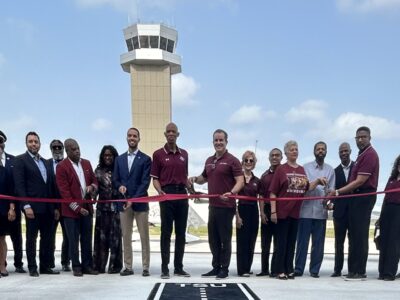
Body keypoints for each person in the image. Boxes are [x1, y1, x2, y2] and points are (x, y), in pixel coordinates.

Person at [190, 129, 244, 280]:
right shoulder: (209, 160)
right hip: (213, 206)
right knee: (213, 239)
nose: (218, 143)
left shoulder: (233, 160)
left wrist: (232, 193)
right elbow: (203, 178)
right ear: (213, 142)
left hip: (227, 207)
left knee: (224, 240)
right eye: (216, 140)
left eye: (221, 140)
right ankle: (215, 267)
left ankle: (224, 269)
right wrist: (194, 179)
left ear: (226, 142)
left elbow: (240, 181)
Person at [269, 140, 326, 280]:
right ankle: (279, 270)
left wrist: (317, 181)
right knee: (281, 243)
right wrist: (273, 211)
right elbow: (273, 192)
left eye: (296, 149)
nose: (295, 151)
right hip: (282, 212)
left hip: (296, 213)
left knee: (291, 243)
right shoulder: (281, 169)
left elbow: (307, 188)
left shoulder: (301, 170)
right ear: (286, 152)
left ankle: (289, 268)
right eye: (292, 149)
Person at [329, 126, 379, 280]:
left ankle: (359, 270)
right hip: (355, 199)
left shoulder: (370, 155)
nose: (361, 139)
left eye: (364, 136)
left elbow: (360, 181)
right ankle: (353, 270)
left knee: (360, 235)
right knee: (355, 235)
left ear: (370, 138)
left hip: (364, 196)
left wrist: (337, 192)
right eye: (358, 137)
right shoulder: (361, 155)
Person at [13, 131, 59, 277]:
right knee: (31, 239)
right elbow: (19, 186)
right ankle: (33, 267)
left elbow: (52, 186)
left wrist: (56, 207)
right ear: (26, 143)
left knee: (47, 239)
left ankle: (45, 266)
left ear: (40, 144)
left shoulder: (46, 162)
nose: (33, 144)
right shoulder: (20, 160)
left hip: (48, 208)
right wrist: (26, 206)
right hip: (32, 208)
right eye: (30, 141)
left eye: (36, 141)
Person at [151, 123, 191, 279]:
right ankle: (164, 268)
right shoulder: (158, 154)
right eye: (168, 131)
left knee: (181, 233)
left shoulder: (185, 154)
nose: (171, 134)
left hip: (182, 194)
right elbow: (155, 179)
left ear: (178, 134)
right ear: (165, 134)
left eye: (173, 131)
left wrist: (192, 188)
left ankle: (178, 267)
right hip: (167, 195)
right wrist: (159, 191)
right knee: (166, 233)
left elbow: (185, 178)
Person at [56, 138, 98, 277]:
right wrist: (78, 208)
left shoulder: (86, 163)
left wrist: (92, 187)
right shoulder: (61, 167)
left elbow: (94, 180)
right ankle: (76, 266)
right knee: (73, 240)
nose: (77, 151)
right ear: (67, 151)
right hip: (70, 212)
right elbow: (65, 193)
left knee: (87, 239)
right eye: (73, 149)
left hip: (87, 208)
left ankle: (87, 265)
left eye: (78, 148)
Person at [113, 128, 151, 277]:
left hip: (140, 203)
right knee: (126, 236)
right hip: (123, 203)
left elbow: (144, 182)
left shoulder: (146, 159)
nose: (132, 138)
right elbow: (115, 179)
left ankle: (145, 266)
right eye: (129, 135)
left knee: (144, 236)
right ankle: (128, 266)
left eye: (135, 136)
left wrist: (133, 198)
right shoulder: (119, 159)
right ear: (126, 138)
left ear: (139, 139)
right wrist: (119, 186)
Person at [294, 141, 335, 278]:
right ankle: (299, 269)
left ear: (326, 151)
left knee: (318, 245)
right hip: (305, 211)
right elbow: (302, 189)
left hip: (321, 213)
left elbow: (331, 191)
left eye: (323, 149)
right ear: (314, 151)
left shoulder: (330, 170)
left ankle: (315, 270)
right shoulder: (305, 168)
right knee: (302, 243)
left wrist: (329, 201)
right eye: (318, 149)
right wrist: (317, 181)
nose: (321, 151)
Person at [93, 145, 123, 274]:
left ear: (114, 156)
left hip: (116, 208)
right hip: (102, 209)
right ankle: (99, 265)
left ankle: (114, 266)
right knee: (101, 238)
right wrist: (92, 192)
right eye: (105, 155)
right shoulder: (98, 170)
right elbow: (95, 188)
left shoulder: (119, 170)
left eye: (110, 155)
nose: (108, 157)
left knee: (116, 238)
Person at [0, 131, 25, 274]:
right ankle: (1, 263)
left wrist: (13, 207)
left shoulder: (13, 161)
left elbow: (15, 186)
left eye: (1, 141)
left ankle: (18, 263)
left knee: (16, 236)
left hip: (9, 206)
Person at [257, 148, 282, 277]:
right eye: (272, 155)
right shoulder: (264, 176)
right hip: (266, 209)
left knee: (278, 243)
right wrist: (262, 213)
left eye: (277, 155)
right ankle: (264, 269)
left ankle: (274, 270)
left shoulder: (284, 173)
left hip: (280, 211)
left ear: (281, 157)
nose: (274, 157)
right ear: (269, 158)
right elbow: (261, 195)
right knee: (265, 243)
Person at [46, 139, 70, 272]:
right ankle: (49, 262)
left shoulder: (68, 164)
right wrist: (54, 207)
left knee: (68, 236)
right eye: (54, 147)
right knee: (50, 236)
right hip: (51, 207)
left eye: (59, 147)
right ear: (50, 149)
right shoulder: (46, 164)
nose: (57, 149)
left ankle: (66, 261)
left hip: (66, 206)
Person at [236, 150, 260, 277]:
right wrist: (237, 216)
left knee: (252, 240)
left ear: (254, 163)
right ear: (242, 162)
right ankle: (242, 269)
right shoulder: (238, 179)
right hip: (242, 209)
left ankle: (248, 266)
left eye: (251, 160)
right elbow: (234, 198)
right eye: (246, 160)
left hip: (254, 210)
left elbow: (260, 197)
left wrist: (261, 213)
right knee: (242, 241)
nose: (249, 162)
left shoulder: (257, 180)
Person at [331, 142, 354, 277]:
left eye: (346, 151)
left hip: (353, 211)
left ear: (350, 151)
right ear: (339, 154)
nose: (344, 153)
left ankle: (352, 269)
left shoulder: (357, 167)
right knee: (338, 242)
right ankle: (337, 269)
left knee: (353, 241)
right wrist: (330, 203)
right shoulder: (335, 171)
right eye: (341, 151)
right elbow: (333, 190)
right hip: (339, 212)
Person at [378, 155, 400, 281]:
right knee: (384, 241)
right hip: (387, 210)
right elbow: (385, 197)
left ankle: (389, 272)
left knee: (394, 242)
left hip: (398, 211)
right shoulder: (391, 179)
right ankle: (382, 271)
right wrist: (380, 217)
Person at [0, 130, 17, 277]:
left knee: (1, 238)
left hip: (3, 208)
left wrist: (12, 207)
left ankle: (2, 266)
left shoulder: (8, 165)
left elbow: (11, 188)